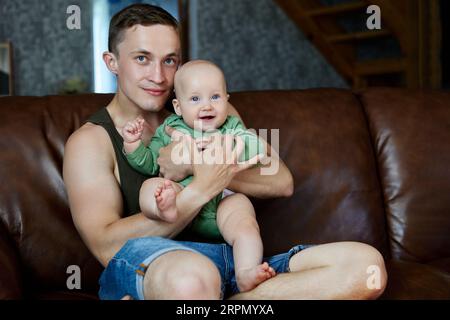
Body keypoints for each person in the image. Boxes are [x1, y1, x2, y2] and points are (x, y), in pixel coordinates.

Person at [63, 4, 387, 300]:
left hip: (232, 264)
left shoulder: (210, 109)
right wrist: (202, 187)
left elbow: (281, 182)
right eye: (142, 58)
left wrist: (197, 166)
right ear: (112, 62)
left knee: (366, 269)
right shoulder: (91, 141)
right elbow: (107, 247)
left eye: (170, 60)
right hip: (156, 266)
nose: (159, 77)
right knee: (194, 279)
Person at [122, 59, 274, 292]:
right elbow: (152, 163)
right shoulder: (170, 130)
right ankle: (164, 207)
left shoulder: (231, 127)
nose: (207, 106)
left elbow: (259, 149)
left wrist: (228, 142)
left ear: (226, 100)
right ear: (178, 106)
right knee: (152, 185)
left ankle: (245, 273)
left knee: (245, 221)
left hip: (223, 203)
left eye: (215, 97)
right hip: (183, 199)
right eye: (195, 99)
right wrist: (133, 145)